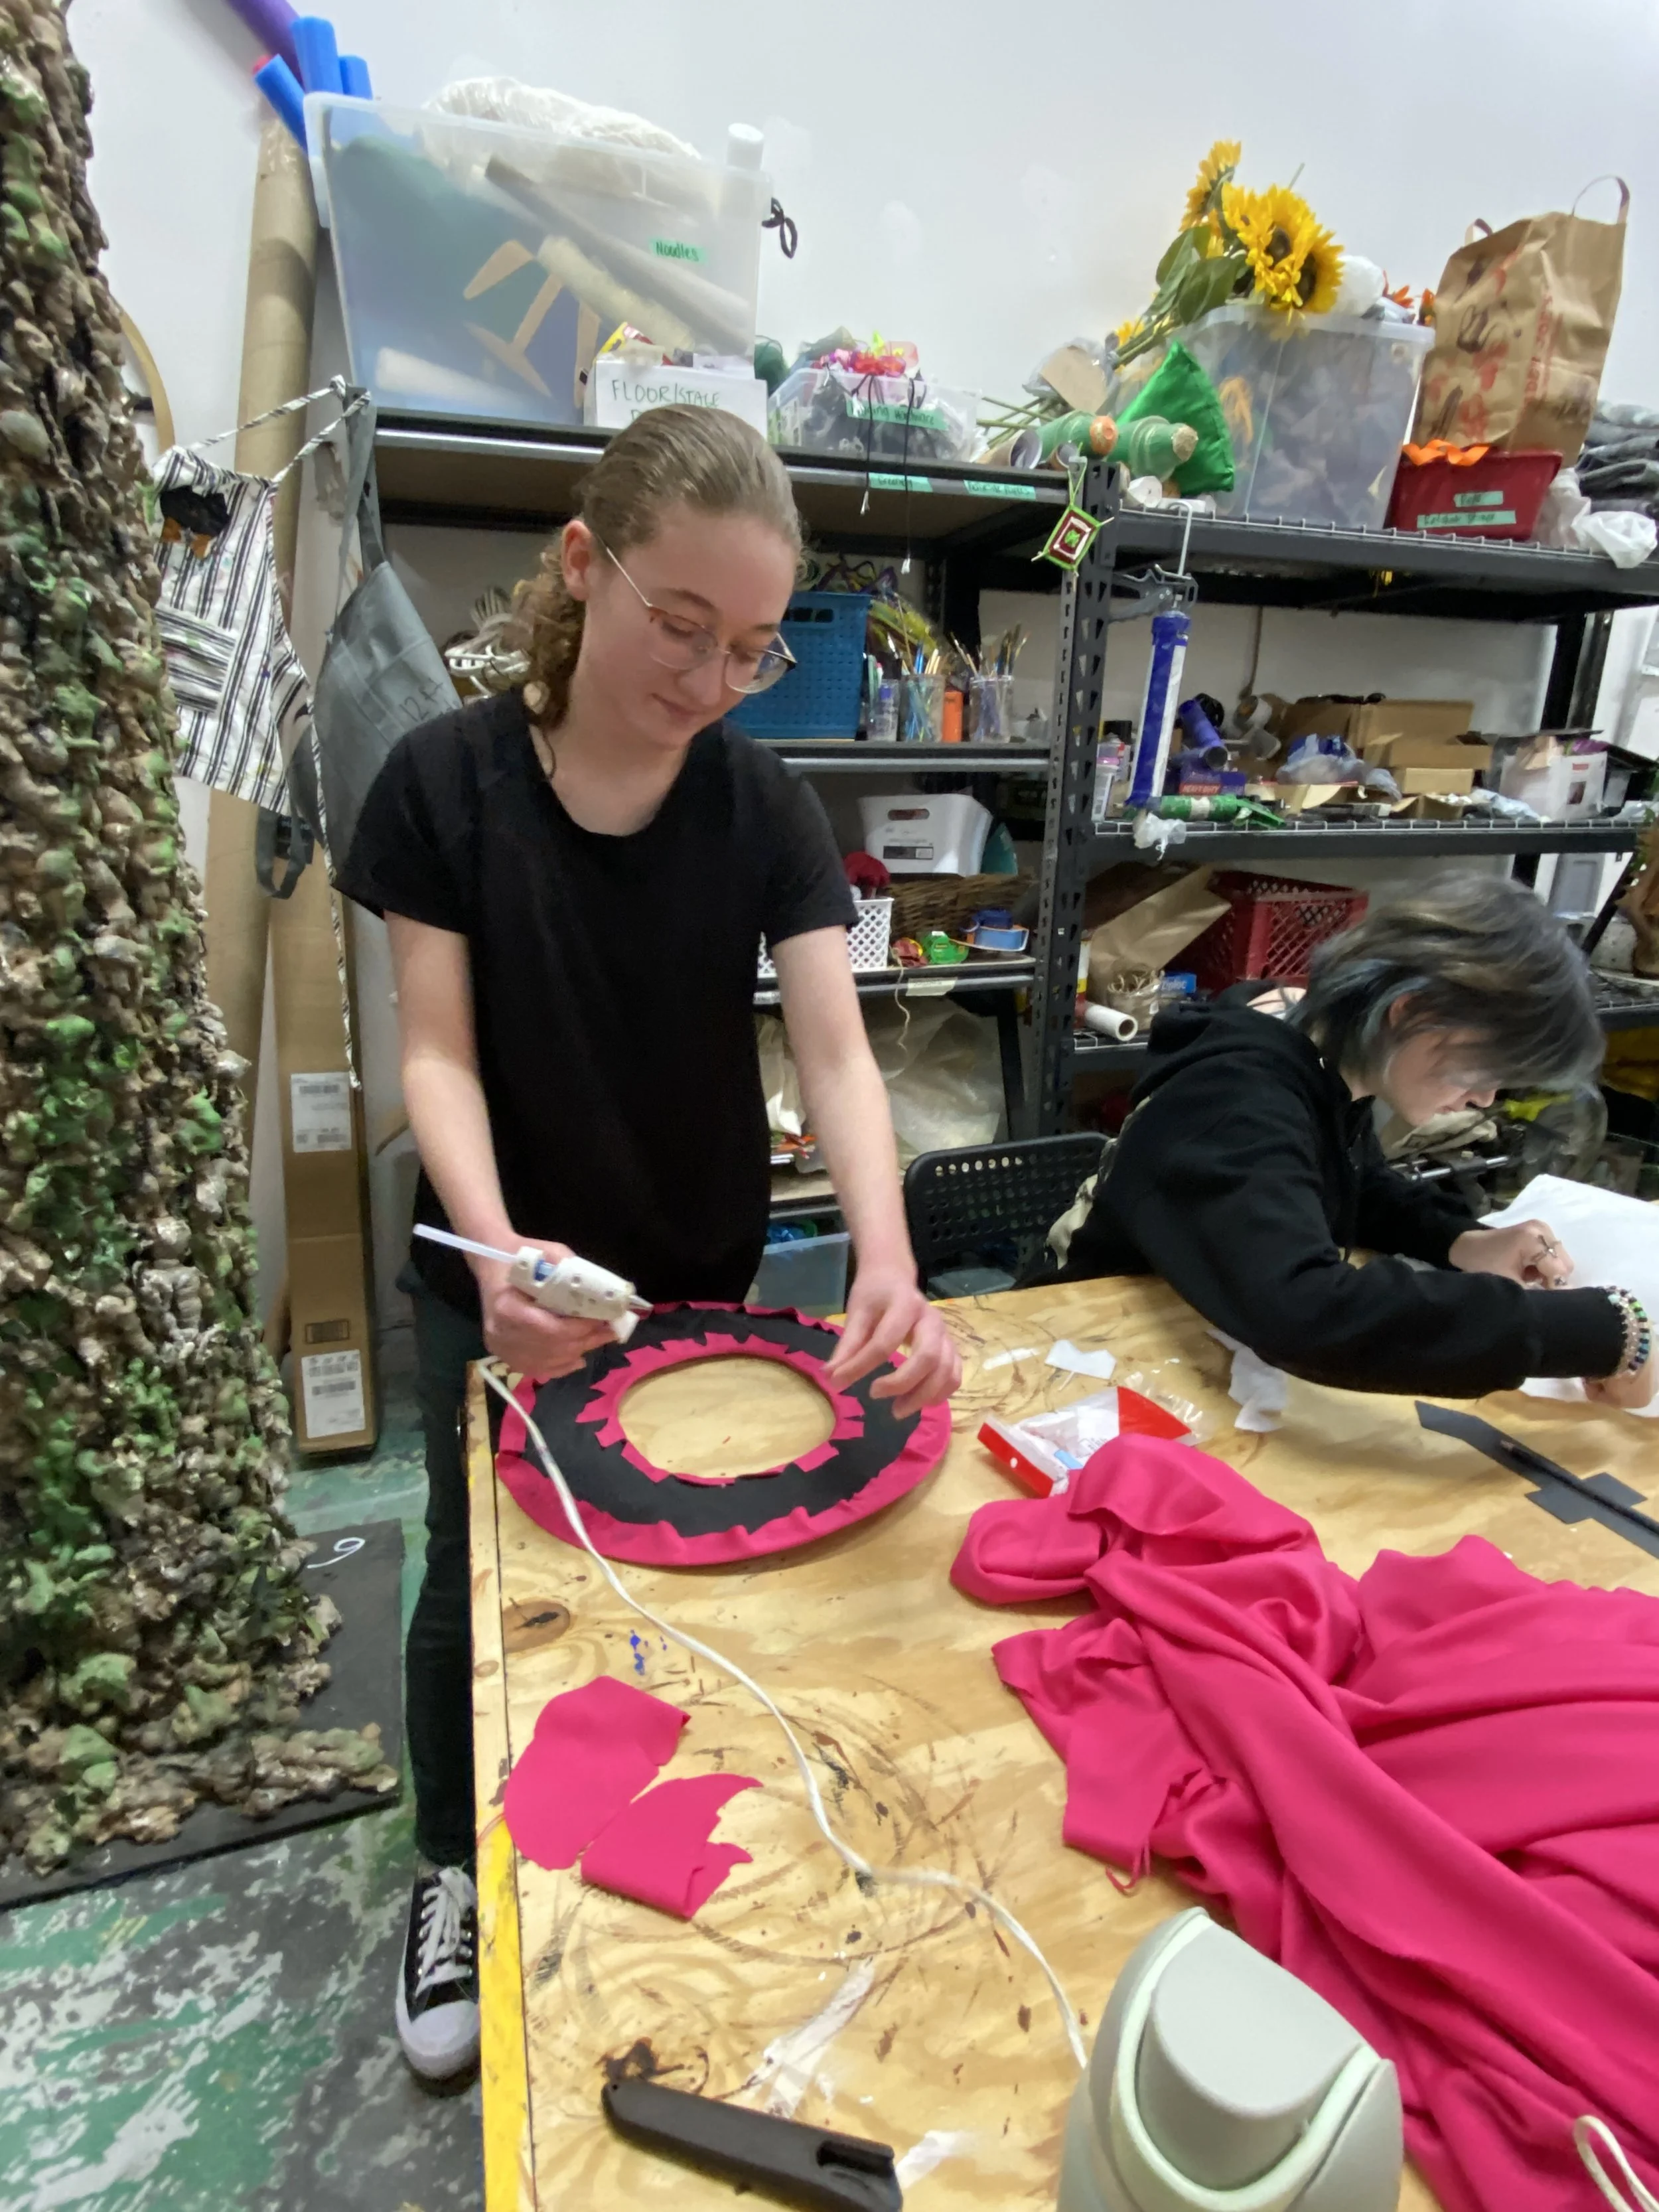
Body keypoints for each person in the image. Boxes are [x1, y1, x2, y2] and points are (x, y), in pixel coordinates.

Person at [337, 406, 962, 2081]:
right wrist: (492, 1255)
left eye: (749, 650)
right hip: (503, 1266)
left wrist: (886, 1255)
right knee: (480, 1566)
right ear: (581, 565)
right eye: (679, 625)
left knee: (681, 1553)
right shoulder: (443, 785)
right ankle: (452, 1876)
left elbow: (836, 1053)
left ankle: (647, 1833)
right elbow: (437, 1051)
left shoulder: (759, 798)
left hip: (694, 1267)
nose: (706, 679)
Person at [1057, 876, 1656, 1408]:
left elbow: (1350, 1181)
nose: (1485, 1099)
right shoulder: (1236, 1099)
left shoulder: (1324, 1048)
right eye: (1483, 1069)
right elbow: (1307, 1307)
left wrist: (1462, 1240)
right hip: (1078, 1353)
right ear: (1410, 1012)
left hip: (1184, 1336)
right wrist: (1595, 1331)